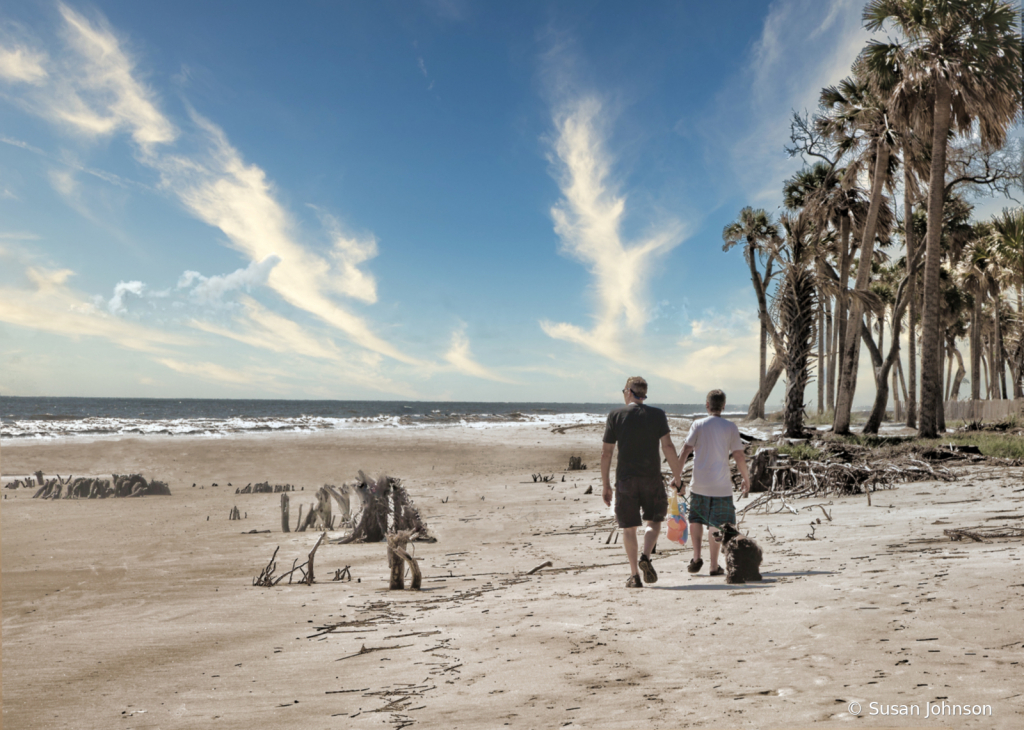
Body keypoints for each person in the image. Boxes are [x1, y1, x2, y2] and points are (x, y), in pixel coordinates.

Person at [602, 376, 682, 588]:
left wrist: (606, 485)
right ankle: (645, 556)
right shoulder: (657, 414)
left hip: (625, 479)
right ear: (644, 394)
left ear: (628, 391)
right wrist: (678, 477)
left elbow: (606, 453)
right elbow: (668, 447)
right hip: (651, 478)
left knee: (629, 528)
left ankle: (634, 575)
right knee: (654, 521)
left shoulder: (615, 415)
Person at [671, 389, 750, 576]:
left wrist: (677, 477)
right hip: (721, 486)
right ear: (723, 406)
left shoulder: (698, 425)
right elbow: (738, 455)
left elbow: (684, 452)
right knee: (718, 524)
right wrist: (746, 478)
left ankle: (696, 557)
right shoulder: (730, 426)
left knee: (696, 519)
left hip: (699, 484)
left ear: (707, 405)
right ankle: (714, 566)